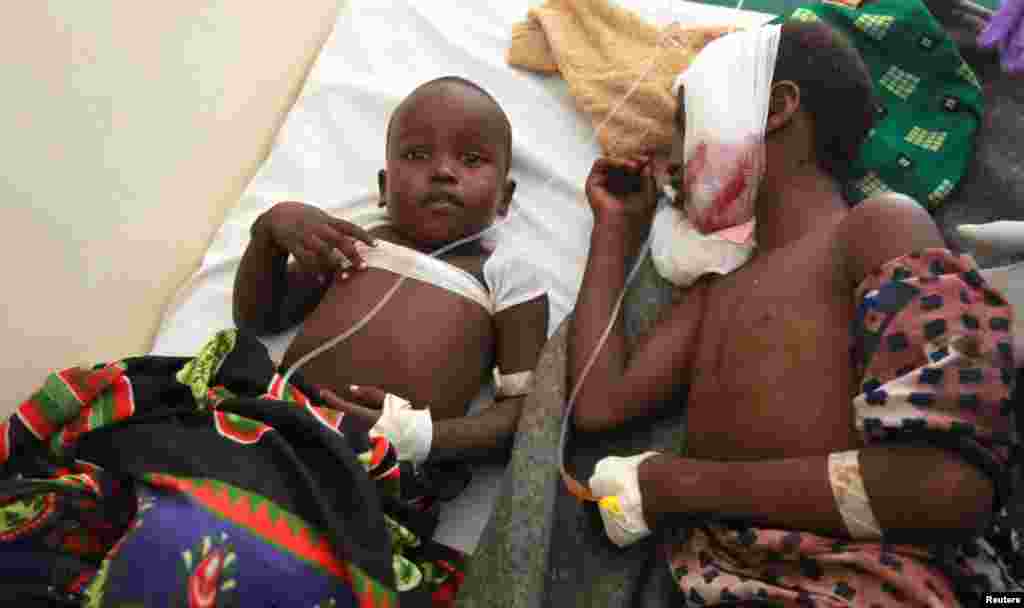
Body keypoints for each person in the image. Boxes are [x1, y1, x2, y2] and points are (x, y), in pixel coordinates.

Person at [571, 19, 1018, 606]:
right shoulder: (720, 288)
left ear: (778, 107)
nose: (670, 161)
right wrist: (613, 233)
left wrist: (676, 485)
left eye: (686, 124)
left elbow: (946, 486)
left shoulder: (878, 229)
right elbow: (598, 405)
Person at [234, 75, 549, 465]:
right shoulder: (352, 242)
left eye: (470, 159)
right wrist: (266, 234)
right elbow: (259, 319)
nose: (443, 172)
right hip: (271, 428)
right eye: (417, 155)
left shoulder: (507, 276)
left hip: (382, 469)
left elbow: (526, 414)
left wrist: (419, 437)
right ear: (384, 188)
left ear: (504, 197)